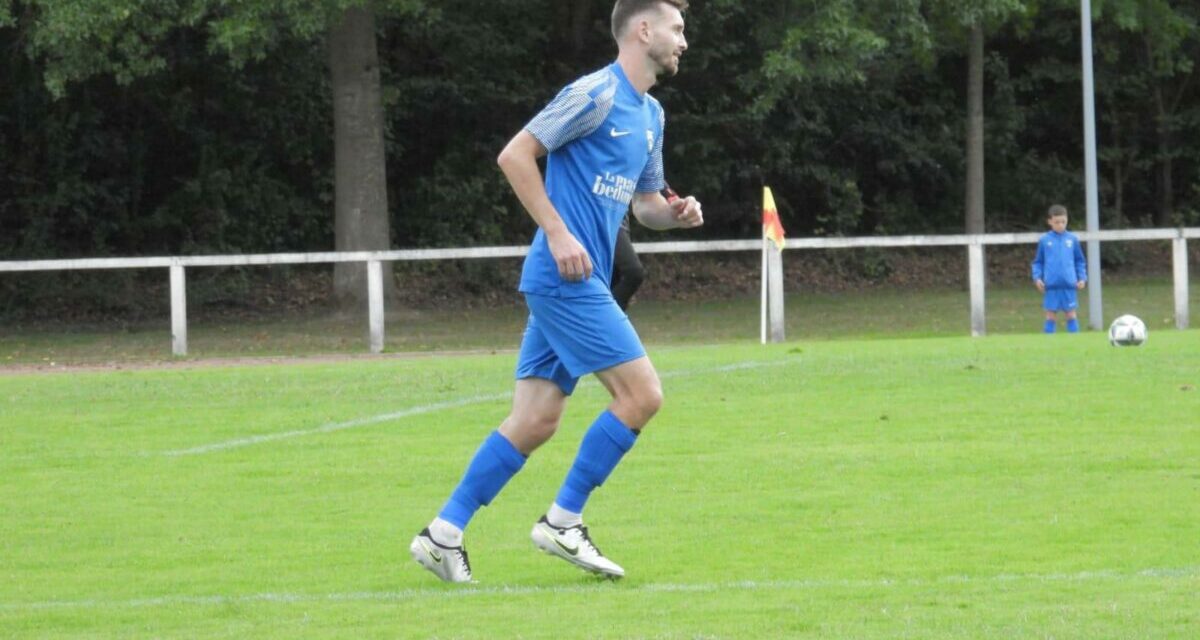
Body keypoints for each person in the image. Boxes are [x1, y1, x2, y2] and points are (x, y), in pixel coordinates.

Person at [410, 0, 701, 583]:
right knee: (642, 395)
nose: (683, 41)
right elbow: (515, 155)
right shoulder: (594, 94)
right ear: (643, 31)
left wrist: (676, 214)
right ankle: (563, 521)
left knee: (536, 418)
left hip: (573, 280)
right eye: (676, 28)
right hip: (567, 276)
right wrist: (559, 231)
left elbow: (644, 208)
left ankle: (443, 534)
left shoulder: (652, 116)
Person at [1031, 204, 1087, 333]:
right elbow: (1038, 262)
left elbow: (1080, 261)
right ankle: (1048, 344)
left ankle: (1074, 343)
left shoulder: (1072, 239)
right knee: (1050, 315)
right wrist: (1037, 278)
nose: (1061, 225)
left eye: (1063, 222)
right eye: (1057, 222)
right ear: (1050, 222)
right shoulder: (1045, 240)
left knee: (1071, 314)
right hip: (1051, 285)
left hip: (1069, 284)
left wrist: (1082, 278)